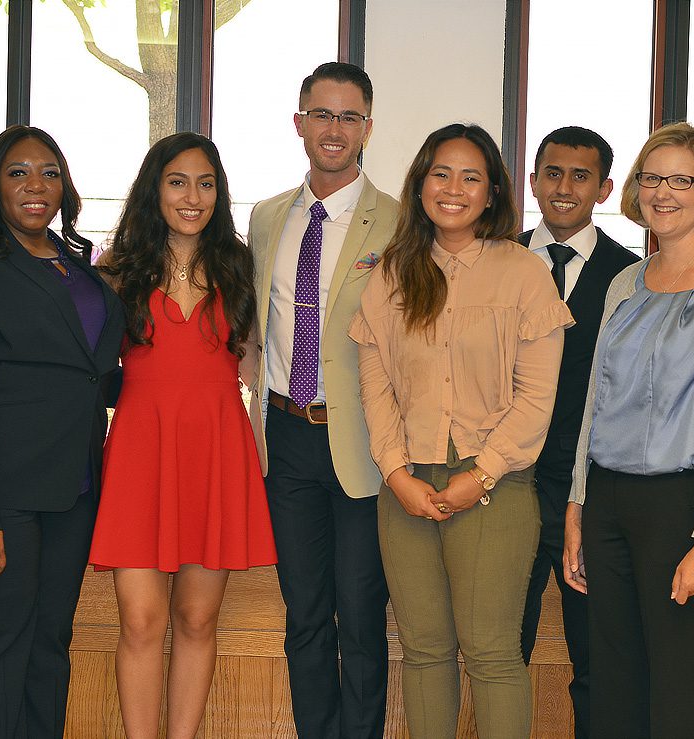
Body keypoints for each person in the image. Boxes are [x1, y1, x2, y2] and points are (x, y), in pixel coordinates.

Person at [351, 123, 573, 738]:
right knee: (422, 652)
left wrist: (482, 474)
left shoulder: (524, 273)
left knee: (492, 654)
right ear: (420, 184)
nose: (453, 188)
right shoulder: (391, 273)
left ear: (493, 192)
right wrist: (396, 473)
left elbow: (537, 397)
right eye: (440, 174)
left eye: (471, 176)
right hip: (406, 492)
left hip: (495, 489)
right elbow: (376, 389)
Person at [563, 123, 694, 739]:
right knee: (614, 677)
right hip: (607, 502)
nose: (664, 192)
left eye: (683, 179)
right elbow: (595, 402)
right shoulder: (625, 284)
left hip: (681, 508)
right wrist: (577, 503)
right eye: (652, 178)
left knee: (681, 683)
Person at [0, 125, 125, 739]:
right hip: (1, 496)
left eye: (49, 172)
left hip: (73, 490)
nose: (36, 185)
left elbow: (93, 374)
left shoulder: (80, 265)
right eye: (18, 172)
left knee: (49, 644)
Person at [88, 132, 277, 738]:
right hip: (143, 452)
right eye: (177, 182)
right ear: (154, 189)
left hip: (218, 452)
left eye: (206, 183)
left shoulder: (239, 266)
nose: (193, 197)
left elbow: (252, 366)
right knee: (140, 621)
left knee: (198, 619)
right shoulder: (115, 271)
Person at [247, 61, 396, 738]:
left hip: (363, 442)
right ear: (299, 122)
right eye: (321, 114)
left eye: (348, 117)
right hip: (286, 438)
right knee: (303, 615)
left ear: (367, 127)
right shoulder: (266, 216)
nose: (333, 130)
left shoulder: (397, 223)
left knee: (361, 615)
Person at [516, 125, 638, 739]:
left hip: (589, 493)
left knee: (597, 658)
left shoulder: (634, 276)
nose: (564, 188)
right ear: (532, 180)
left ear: (606, 188)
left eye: (580, 176)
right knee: (501, 654)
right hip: (502, 486)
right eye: (553, 173)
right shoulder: (495, 259)